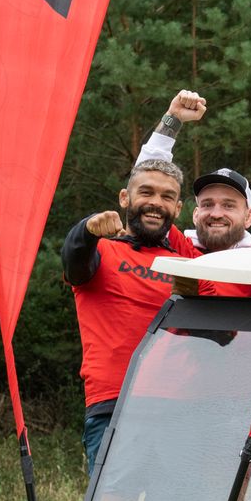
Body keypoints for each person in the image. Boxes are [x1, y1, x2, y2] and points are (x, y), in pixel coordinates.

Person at [61, 157, 202, 472]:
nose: (155, 203)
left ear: (177, 209)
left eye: (167, 197)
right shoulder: (102, 251)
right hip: (116, 405)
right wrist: (85, 230)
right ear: (125, 198)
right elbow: (74, 260)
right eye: (146, 193)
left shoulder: (188, 267)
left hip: (181, 410)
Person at [136, 89, 251, 253]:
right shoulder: (176, 250)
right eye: (207, 204)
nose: (216, 214)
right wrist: (174, 117)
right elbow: (146, 179)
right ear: (195, 215)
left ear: (249, 216)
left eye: (229, 206)